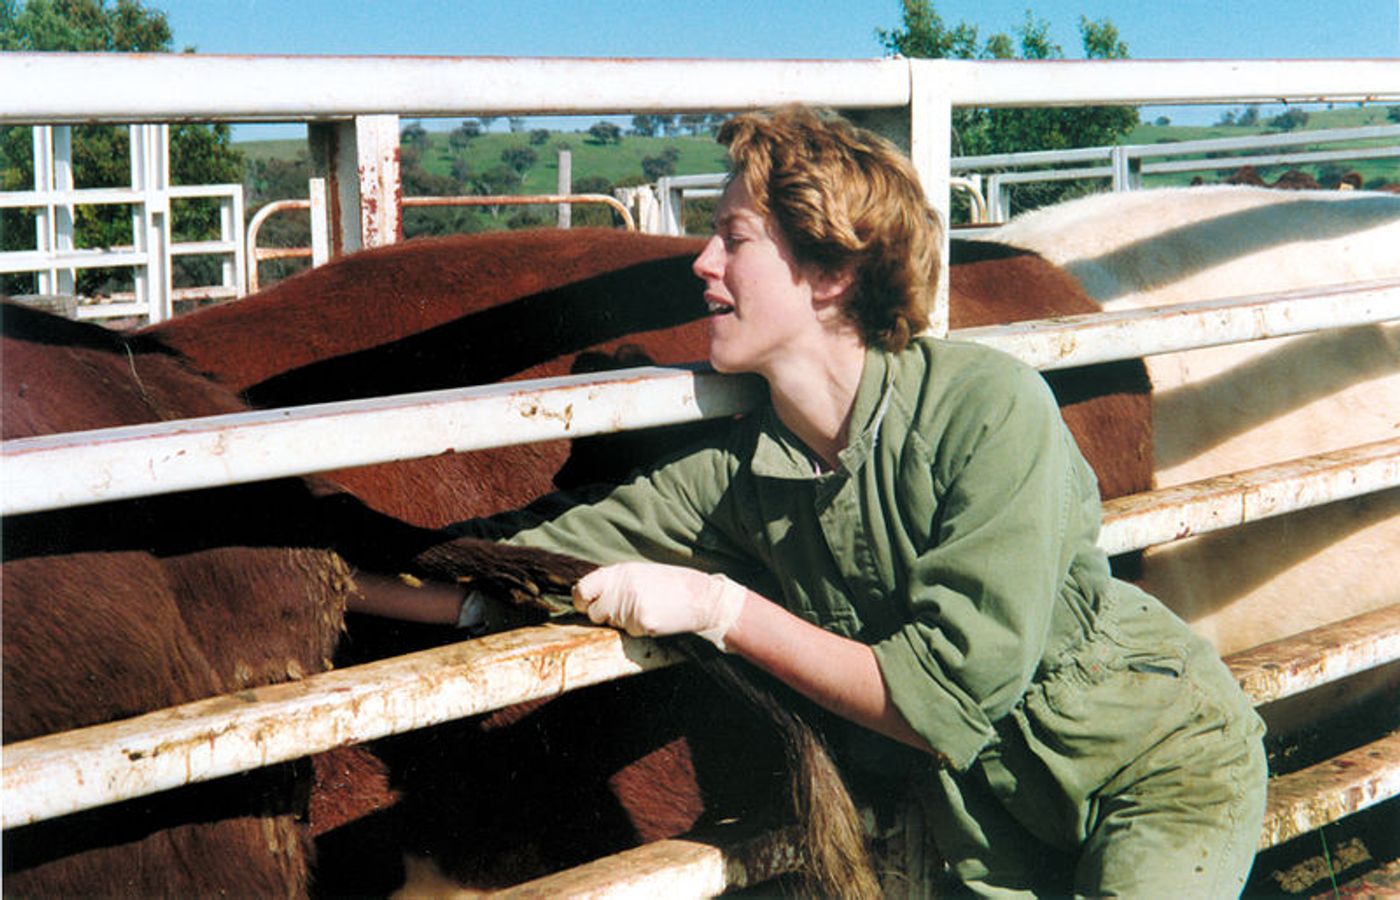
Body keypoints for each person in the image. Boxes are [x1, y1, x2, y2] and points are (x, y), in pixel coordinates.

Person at [373, 105, 1268, 897]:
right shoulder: (736, 474)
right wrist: (344, 576)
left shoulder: (989, 407)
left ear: (832, 272)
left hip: (1153, 772)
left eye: (735, 237)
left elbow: (945, 695)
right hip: (987, 826)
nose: (701, 260)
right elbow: (536, 557)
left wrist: (724, 609)